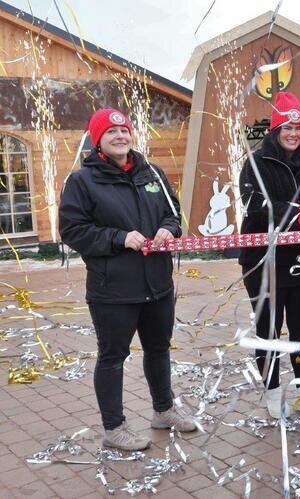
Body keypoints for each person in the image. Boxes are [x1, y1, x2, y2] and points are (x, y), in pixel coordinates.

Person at [59, 108, 196, 451]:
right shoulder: (82, 181)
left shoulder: (152, 172)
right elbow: (73, 230)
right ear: (98, 141)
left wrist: (170, 227)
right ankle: (114, 428)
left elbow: (172, 211)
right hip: (113, 289)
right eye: (111, 133)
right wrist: (118, 238)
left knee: (158, 349)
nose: (120, 137)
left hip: (158, 283)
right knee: (112, 356)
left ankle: (163, 410)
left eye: (124, 131)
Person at [239, 92, 300, 418]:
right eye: (287, 127)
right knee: (269, 327)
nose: (293, 133)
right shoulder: (256, 163)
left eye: (298, 128)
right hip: (263, 260)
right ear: (275, 131)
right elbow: (256, 206)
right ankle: (273, 390)